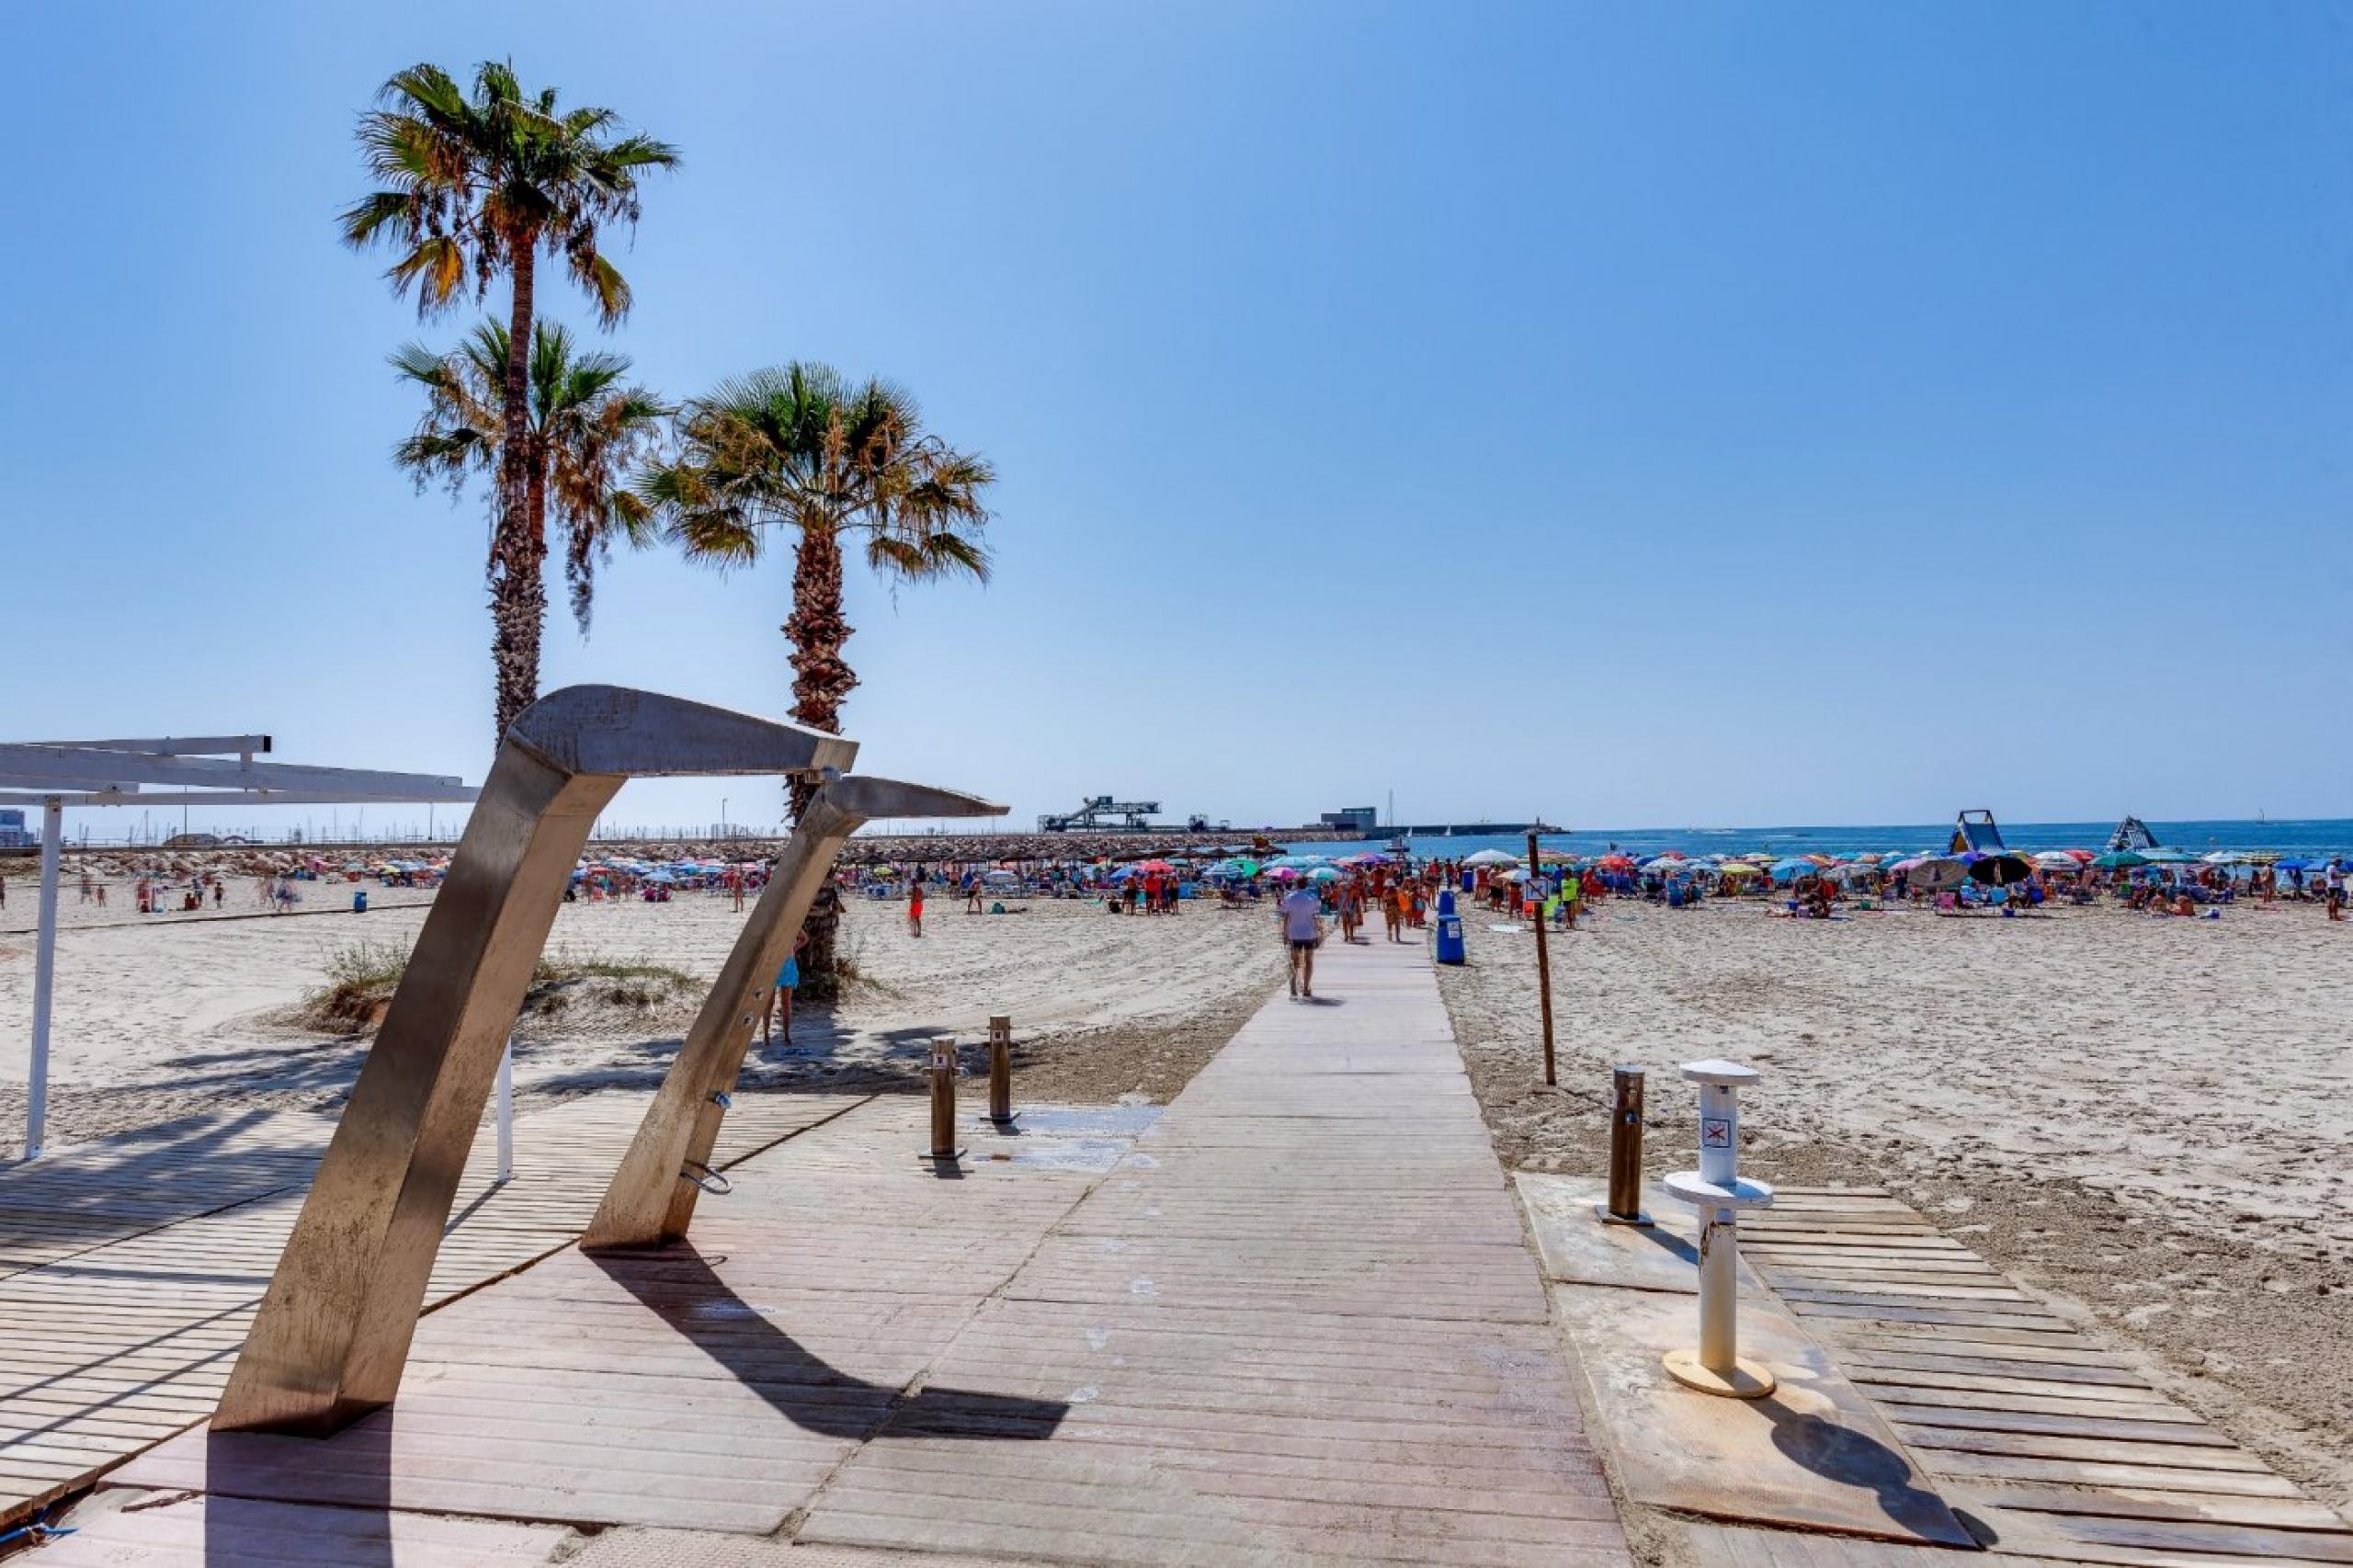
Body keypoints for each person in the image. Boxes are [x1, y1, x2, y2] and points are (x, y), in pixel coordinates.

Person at [1279, 878, 1324, 998]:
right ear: (1306, 885)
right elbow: (1315, 916)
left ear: (1296, 884)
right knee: (1309, 961)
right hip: (1309, 933)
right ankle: (1306, 988)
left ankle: (1293, 987)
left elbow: (1286, 917)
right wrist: (1319, 931)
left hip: (1294, 933)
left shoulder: (1289, 897)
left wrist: (1284, 933)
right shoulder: (1312, 898)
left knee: (1294, 961)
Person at [764, 932, 807, 1047]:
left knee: (785, 1002)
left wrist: (793, 949)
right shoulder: (772, 923)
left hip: (787, 964)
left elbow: (804, 938)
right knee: (770, 1002)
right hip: (772, 964)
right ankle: (766, 1036)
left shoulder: (792, 922)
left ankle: (785, 1036)